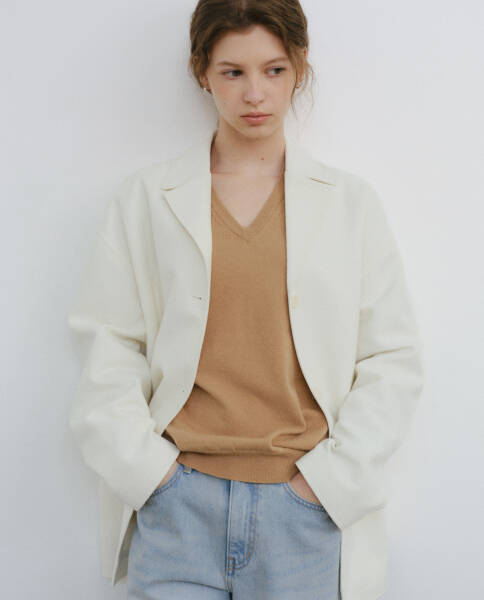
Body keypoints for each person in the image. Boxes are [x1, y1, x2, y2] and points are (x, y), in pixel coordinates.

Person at [67, 1, 425, 599]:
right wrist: (153, 477)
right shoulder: (146, 200)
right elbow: (109, 346)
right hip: (178, 509)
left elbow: (391, 358)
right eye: (232, 72)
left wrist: (325, 485)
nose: (255, 94)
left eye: (274, 70)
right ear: (201, 72)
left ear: (299, 68)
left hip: (302, 517)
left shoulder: (350, 204)